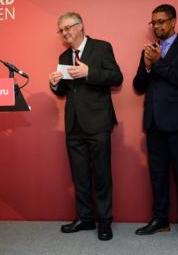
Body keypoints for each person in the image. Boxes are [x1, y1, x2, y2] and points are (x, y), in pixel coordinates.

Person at [48, 12, 123, 241]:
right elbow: (65, 91)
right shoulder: (64, 55)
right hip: (74, 124)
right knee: (79, 176)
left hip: (98, 122)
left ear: (80, 26)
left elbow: (116, 77)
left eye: (68, 28)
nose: (64, 33)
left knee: (101, 175)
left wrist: (89, 72)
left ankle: (104, 221)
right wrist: (55, 85)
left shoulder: (101, 47)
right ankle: (85, 218)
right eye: (61, 30)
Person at [133, 4, 178, 244]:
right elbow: (139, 85)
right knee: (158, 176)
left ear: (173, 21)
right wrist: (148, 65)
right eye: (154, 23)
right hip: (153, 123)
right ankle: (160, 219)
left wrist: (158, 62)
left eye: (161, 21)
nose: (157, 26)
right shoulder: (149, 50)